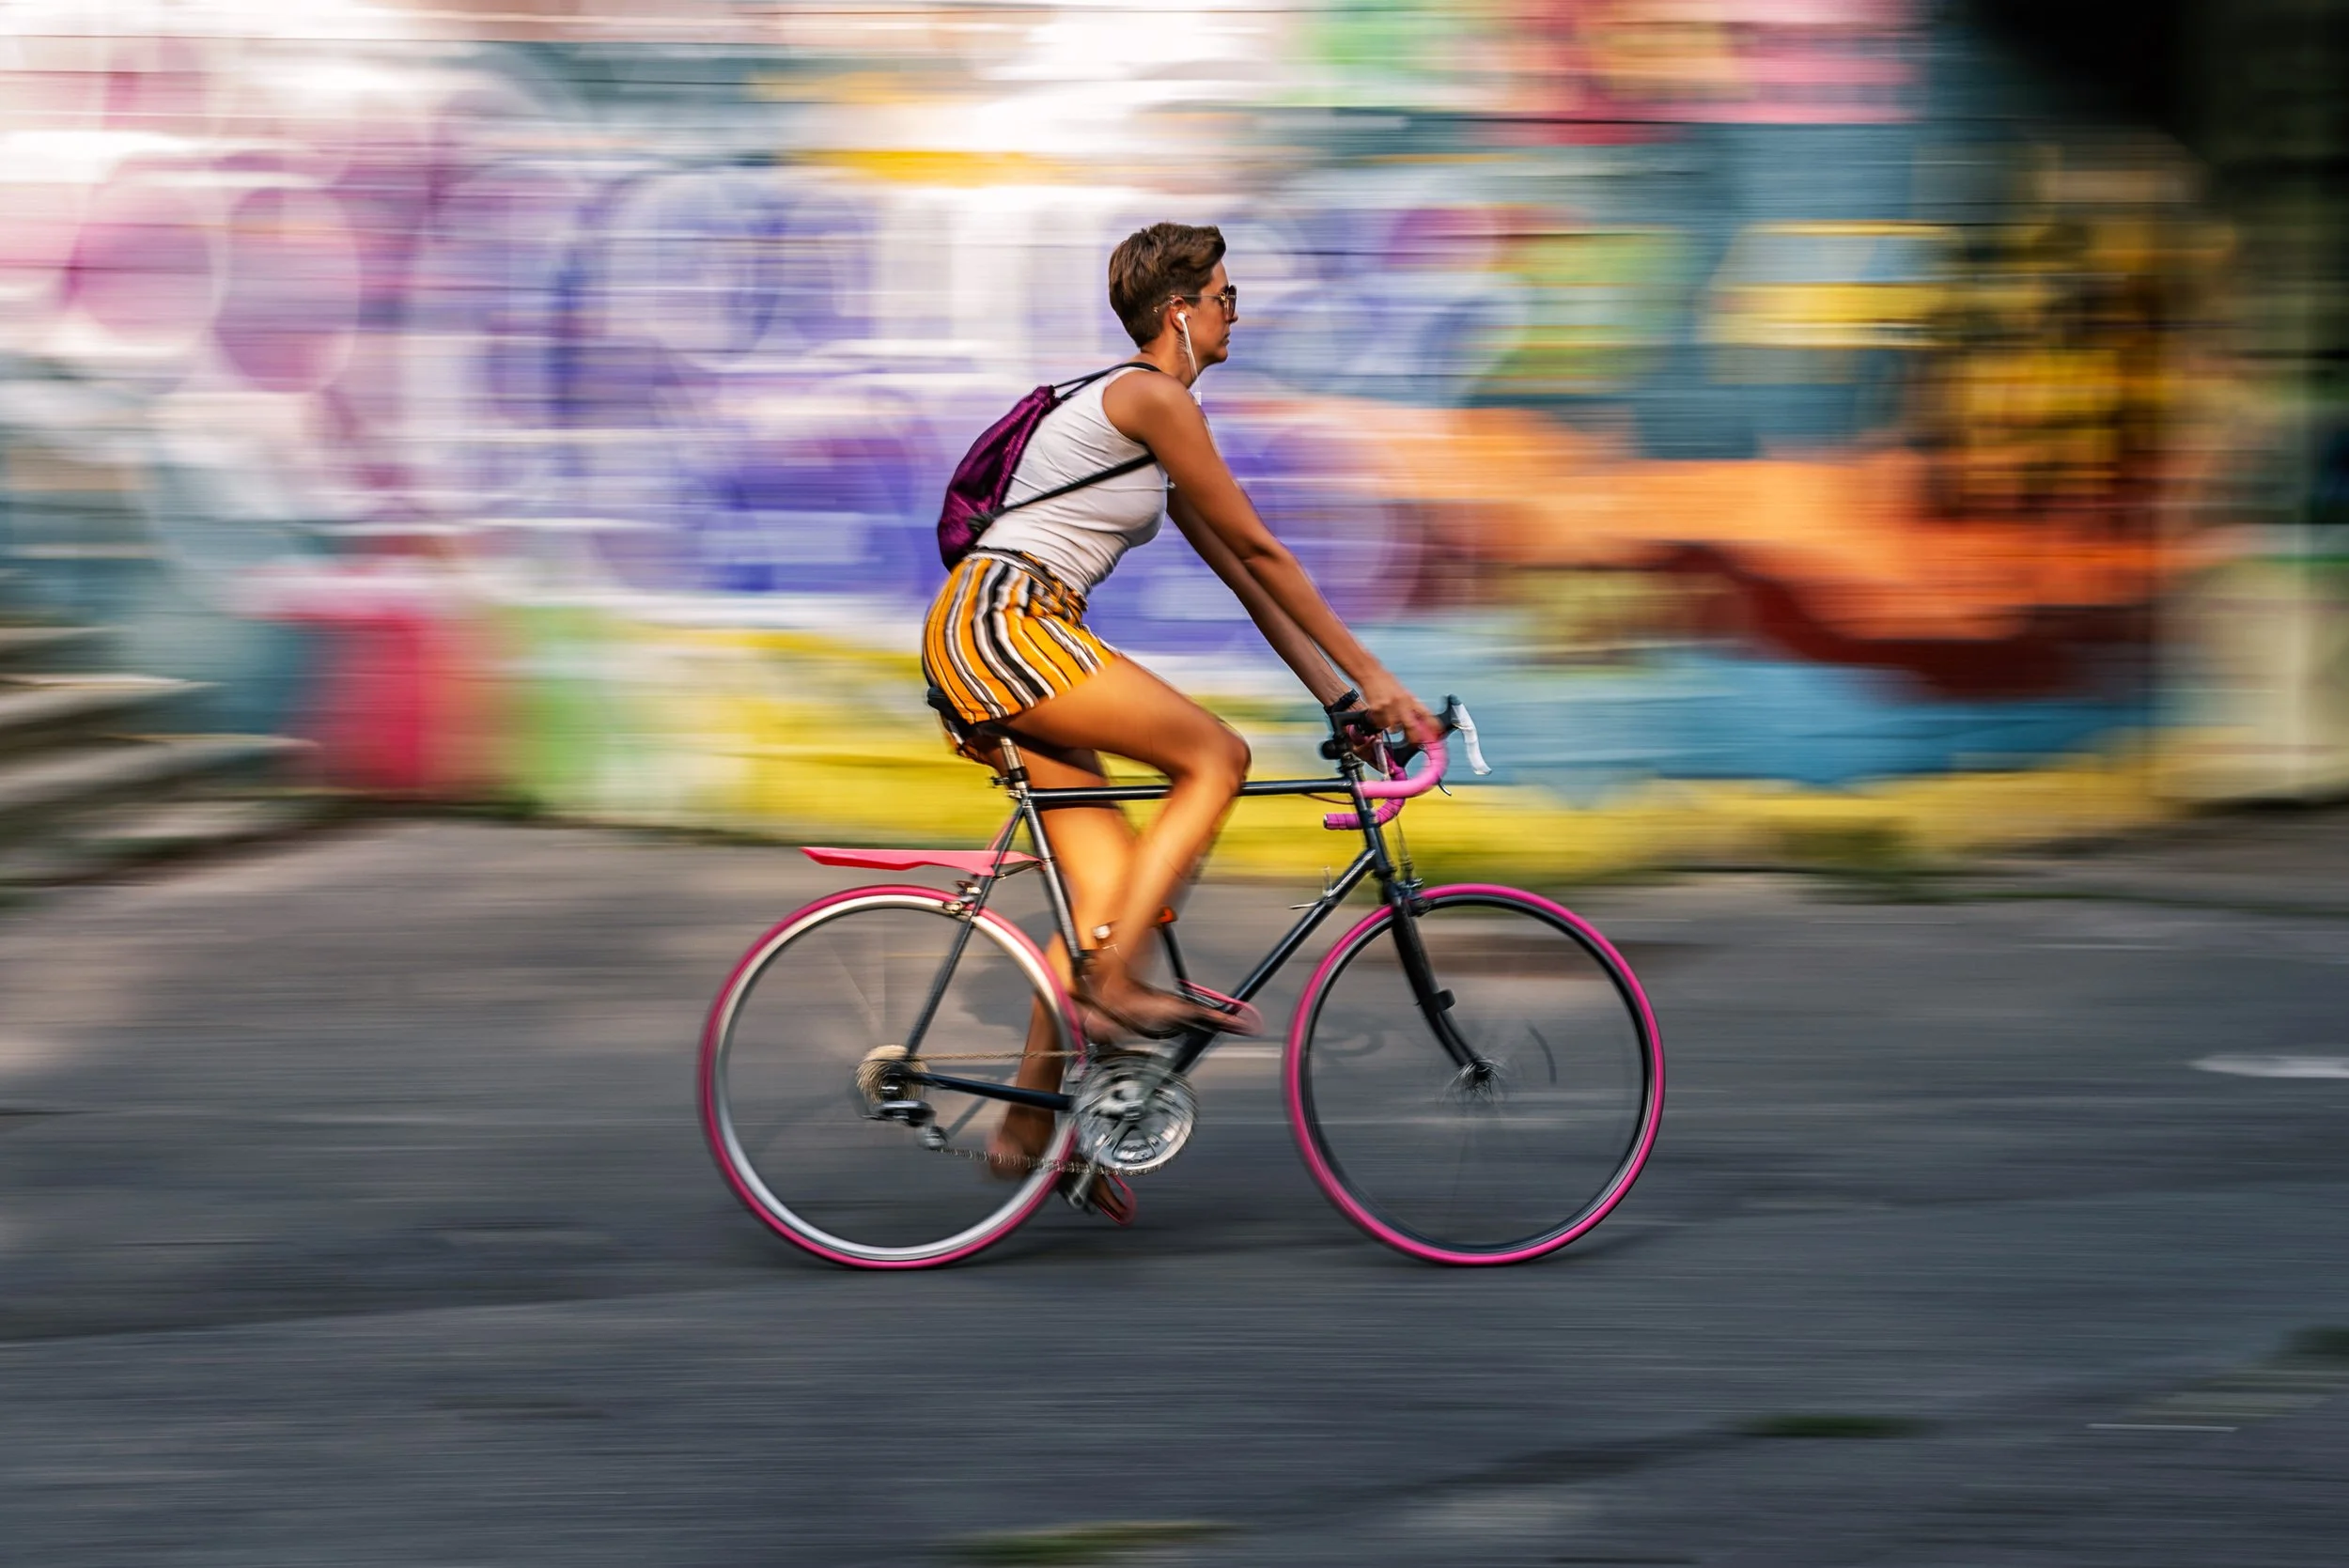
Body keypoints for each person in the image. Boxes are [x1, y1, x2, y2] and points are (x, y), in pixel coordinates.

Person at [921, 222, 1436, 1181]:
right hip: (1007, 621)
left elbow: (1248, 580)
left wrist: (1339, 703)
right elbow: (1267, 552)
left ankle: (1030, 1143)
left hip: (1007, 626)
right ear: (1179, 312)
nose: (1236, 311)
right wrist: (1379, 680)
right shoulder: (1151, 397)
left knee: (1113, 898)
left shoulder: (1147, 420)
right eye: (1226, 297)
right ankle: (1110, 990)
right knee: (1216, 757)